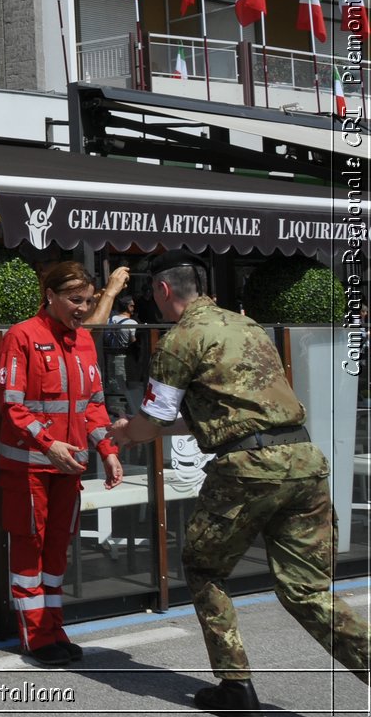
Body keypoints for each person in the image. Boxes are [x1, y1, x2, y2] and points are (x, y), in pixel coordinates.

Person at [112, 252, 369, 714]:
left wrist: (125, 434)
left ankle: (235, 686)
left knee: (204, 568)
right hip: (303, 458)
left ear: (163, 291)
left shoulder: (180, 339)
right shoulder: (247, 326)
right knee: (308, 591)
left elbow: (154, 420)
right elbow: (226, 415)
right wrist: (147, 425)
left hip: (248, 469)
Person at [0, 260, 124, 666]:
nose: (83, 308)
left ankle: (54, 628)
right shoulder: (22, 336)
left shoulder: (84, 341)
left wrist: (109, 452)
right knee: (29, 551)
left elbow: (94, 406)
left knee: (56, 553)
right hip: (29, 467)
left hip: (68, 468)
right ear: (49, 296)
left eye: (88, 300)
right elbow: (12, 406)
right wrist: (49, 445)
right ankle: (35, 636)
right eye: (75, 300)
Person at [102, 293, 139, 420]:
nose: (134, 308)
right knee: (122, 383)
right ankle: (122, 411)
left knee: (111, 382)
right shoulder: (131, 322)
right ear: (128, 307)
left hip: (108, 356)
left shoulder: (109, 320)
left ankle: (113, 409)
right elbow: (133, 341)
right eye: (132, 306)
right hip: (123, 357)